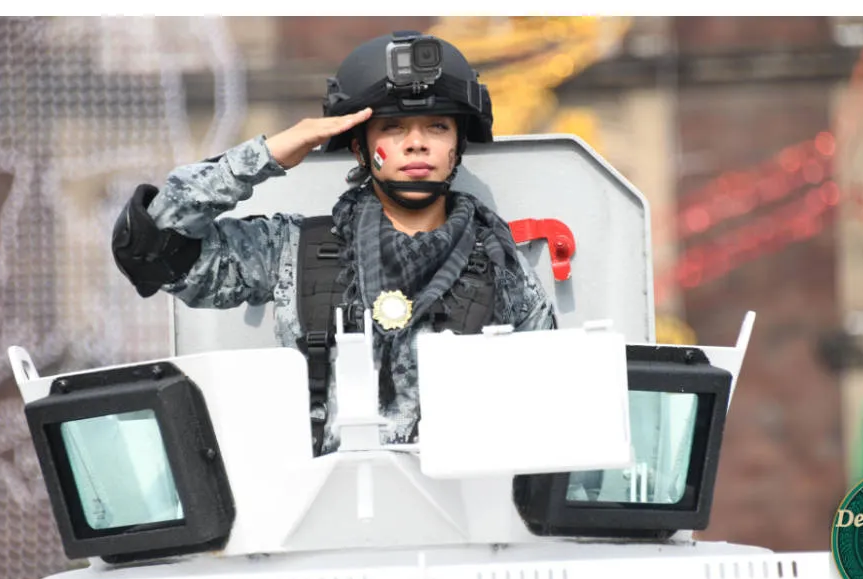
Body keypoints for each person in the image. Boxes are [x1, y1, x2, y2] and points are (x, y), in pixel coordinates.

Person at [112, 31, 557, 456]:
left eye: (437, 126)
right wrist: (266, 155)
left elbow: (549, 407)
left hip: (464, 519)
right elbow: (151, 246)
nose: (417, 144)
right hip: (320, 516)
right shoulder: (291, 251)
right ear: (361, 148)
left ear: (457, 146)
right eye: (393, 127)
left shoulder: (501, 265)